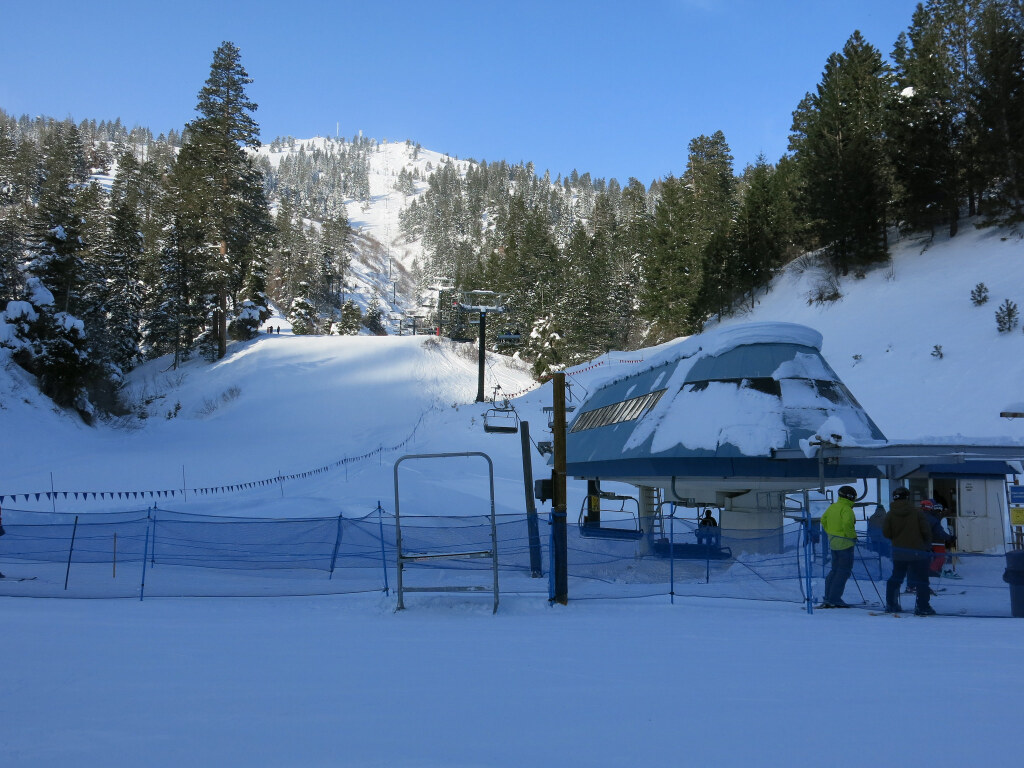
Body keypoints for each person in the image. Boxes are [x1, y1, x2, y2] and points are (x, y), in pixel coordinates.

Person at [883, 487, 935, 615]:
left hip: (899, 552)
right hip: (918, 552)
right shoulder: (917, 512)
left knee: (896, 578)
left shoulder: (890, 514)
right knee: (921, 580)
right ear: (907, 497)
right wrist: (926, 545)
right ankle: (922, 607)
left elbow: (886, 533)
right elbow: (926, 531)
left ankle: (892, 604)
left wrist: (898, 540)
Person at [820, 485, 858, 608]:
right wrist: (851, 536)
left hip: (834, 544)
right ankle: (835, 598)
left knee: (834, 570)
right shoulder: (846, 509)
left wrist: (831, 533)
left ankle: (828, 597)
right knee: (843, 572)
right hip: (845, 544)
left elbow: (823, 520)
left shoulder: (833, 507)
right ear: (851, 497)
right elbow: (847, 523)